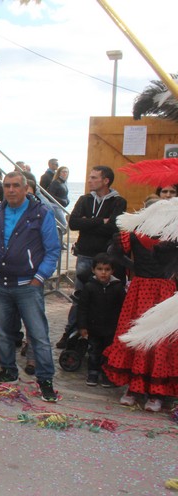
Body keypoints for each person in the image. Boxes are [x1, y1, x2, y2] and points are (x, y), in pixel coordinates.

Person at [0, 171, 60, 402]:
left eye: (16, 185)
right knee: (5, 333)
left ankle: (45, 381)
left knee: (38, 335)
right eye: (7, 185)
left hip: (28, 285)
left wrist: (40, 277)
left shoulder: (41, 214)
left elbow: (53, 250)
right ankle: (8, 371)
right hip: (1, 284)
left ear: (26, 188)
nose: (11, 190)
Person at [105, 216, 178, 411]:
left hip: (164, 291)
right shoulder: (134, 236)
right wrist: (132, 266)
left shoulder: (173, 237)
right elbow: (113, 251)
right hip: (141, 290)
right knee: (135, 335)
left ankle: (156, 393)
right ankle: (134, 388)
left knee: (160, 340)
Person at [58, 165, 127, 348]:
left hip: (106, 259)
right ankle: (70, 333)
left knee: (105, 299)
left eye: (94, 177)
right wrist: (100, 221)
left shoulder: (118, 202)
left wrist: (87, 223)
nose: (89, 180)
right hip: (85, 255)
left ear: (106, 181)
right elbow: (73, 223)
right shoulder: (85, 199)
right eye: (90, 177)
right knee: (80, 297)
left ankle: (103, 338)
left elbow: (112, 227)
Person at [77, 253, 125, 387]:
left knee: (108, 352)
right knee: (94, 351)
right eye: (100, 269)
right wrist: (82, 326)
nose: (103, 273)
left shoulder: (117, 287)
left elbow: (123, 307)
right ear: (93, 270)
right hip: (94, 327)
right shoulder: (89, 287)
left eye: (107, 269)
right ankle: (93, 373)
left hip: (111, 328)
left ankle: (106, 374)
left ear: (112, 271)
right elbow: (82, 308)